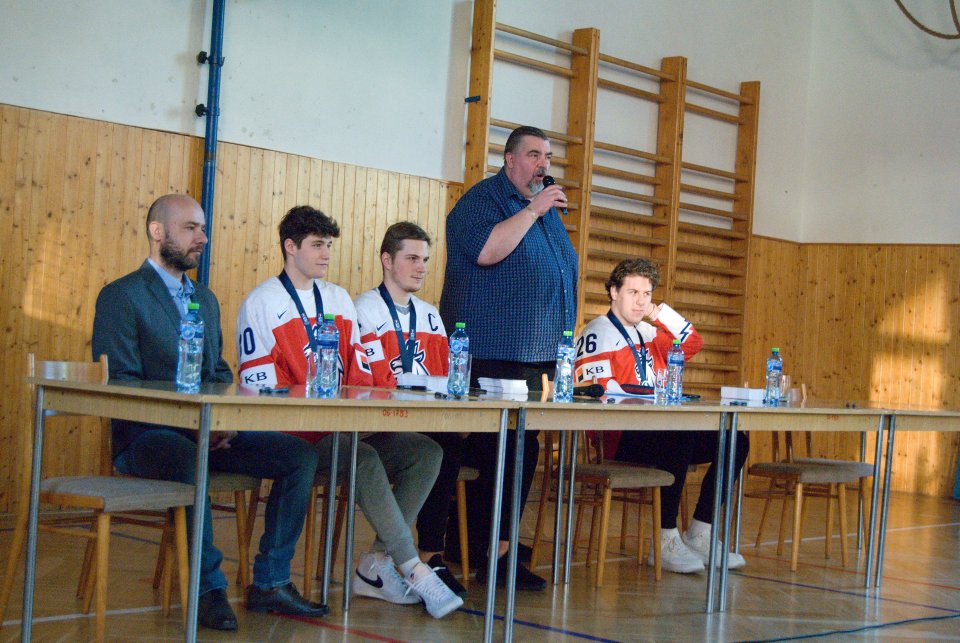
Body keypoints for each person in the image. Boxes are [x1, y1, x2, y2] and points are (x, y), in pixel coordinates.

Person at [91, 194, 326, 632]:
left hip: (208, 433)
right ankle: (207, 589)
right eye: (190, 229)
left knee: (299, 456)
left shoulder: (206, 298)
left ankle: (271, 582)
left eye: (202, 228)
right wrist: (192, 427)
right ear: (157, 231)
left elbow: (218, 373)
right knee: (188, 458)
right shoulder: (121, 296)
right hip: (148, 437)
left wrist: (225, 423)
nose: (202, 237)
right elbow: (121, 382)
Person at [236, 206, 463, 619]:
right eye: (317, 245)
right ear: (290, 247)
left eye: (328, 245)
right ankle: (414, 568)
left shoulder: (339, 299)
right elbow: (258, 389)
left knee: (425, 452)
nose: (326, 254)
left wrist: (356, 414)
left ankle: (378, 563)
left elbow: (360, 376)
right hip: (291, 434)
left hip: (341, 428)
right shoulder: (261, 301)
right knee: (362, 457)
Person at [440, 125, 578, 590]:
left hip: (537, 356)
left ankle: (493, 549)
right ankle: (479, 549)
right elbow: (485, 251)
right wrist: (534, 210)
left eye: (548, 157)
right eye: (535, 154)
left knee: (520, 449)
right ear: (510, 158)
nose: (544, 165)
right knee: (498, 450)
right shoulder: (484, 201)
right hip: (490, 351)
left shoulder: (542, 209)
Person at [574, 258, 749, 573]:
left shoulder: (649, 332)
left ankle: (701, 532)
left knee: (734, 440)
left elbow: (693, 342)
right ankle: (664, 539)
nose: (640, 301)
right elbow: (594, 391)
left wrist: (660, 314)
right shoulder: (598, 332)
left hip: (658, 429)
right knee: (678, 434)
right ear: (613, 292)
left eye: (647, 294)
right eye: (633, 292)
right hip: (617, 436)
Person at [354, 221, 466, 598]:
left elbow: (446, 378)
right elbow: (374, 381)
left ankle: (390, 559)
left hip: (419, 421)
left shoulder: (430, 314)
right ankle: (421, 557)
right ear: (387, 260)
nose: (421, 267)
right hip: (376, 425)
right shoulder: (365, 308)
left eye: (425, 260)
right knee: (441, 448)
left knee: (449, 446)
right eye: (412, 258)